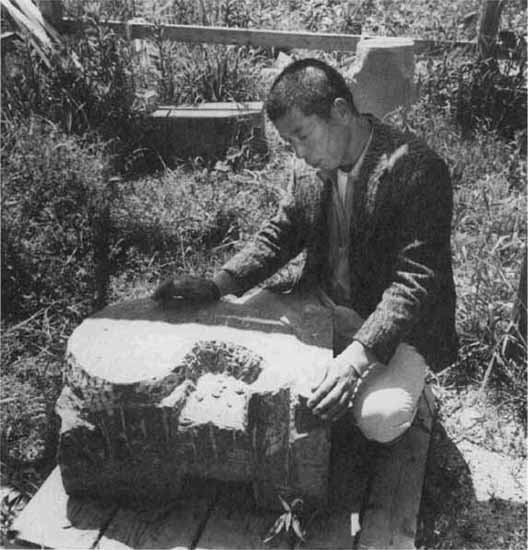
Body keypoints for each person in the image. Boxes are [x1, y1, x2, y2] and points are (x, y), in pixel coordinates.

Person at [153, 58, 457, 445]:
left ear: (341, 111)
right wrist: (216, 284)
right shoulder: (310, 168)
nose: (298, 153)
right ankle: (334, 383)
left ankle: (389, 383)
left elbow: (414, 283)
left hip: (392, 330)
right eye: (289, 143)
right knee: (228, 327)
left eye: (303, 135)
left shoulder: (417, 169)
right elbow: (279, 235)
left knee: (381, 419)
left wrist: (355, 358)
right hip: (319, 304)